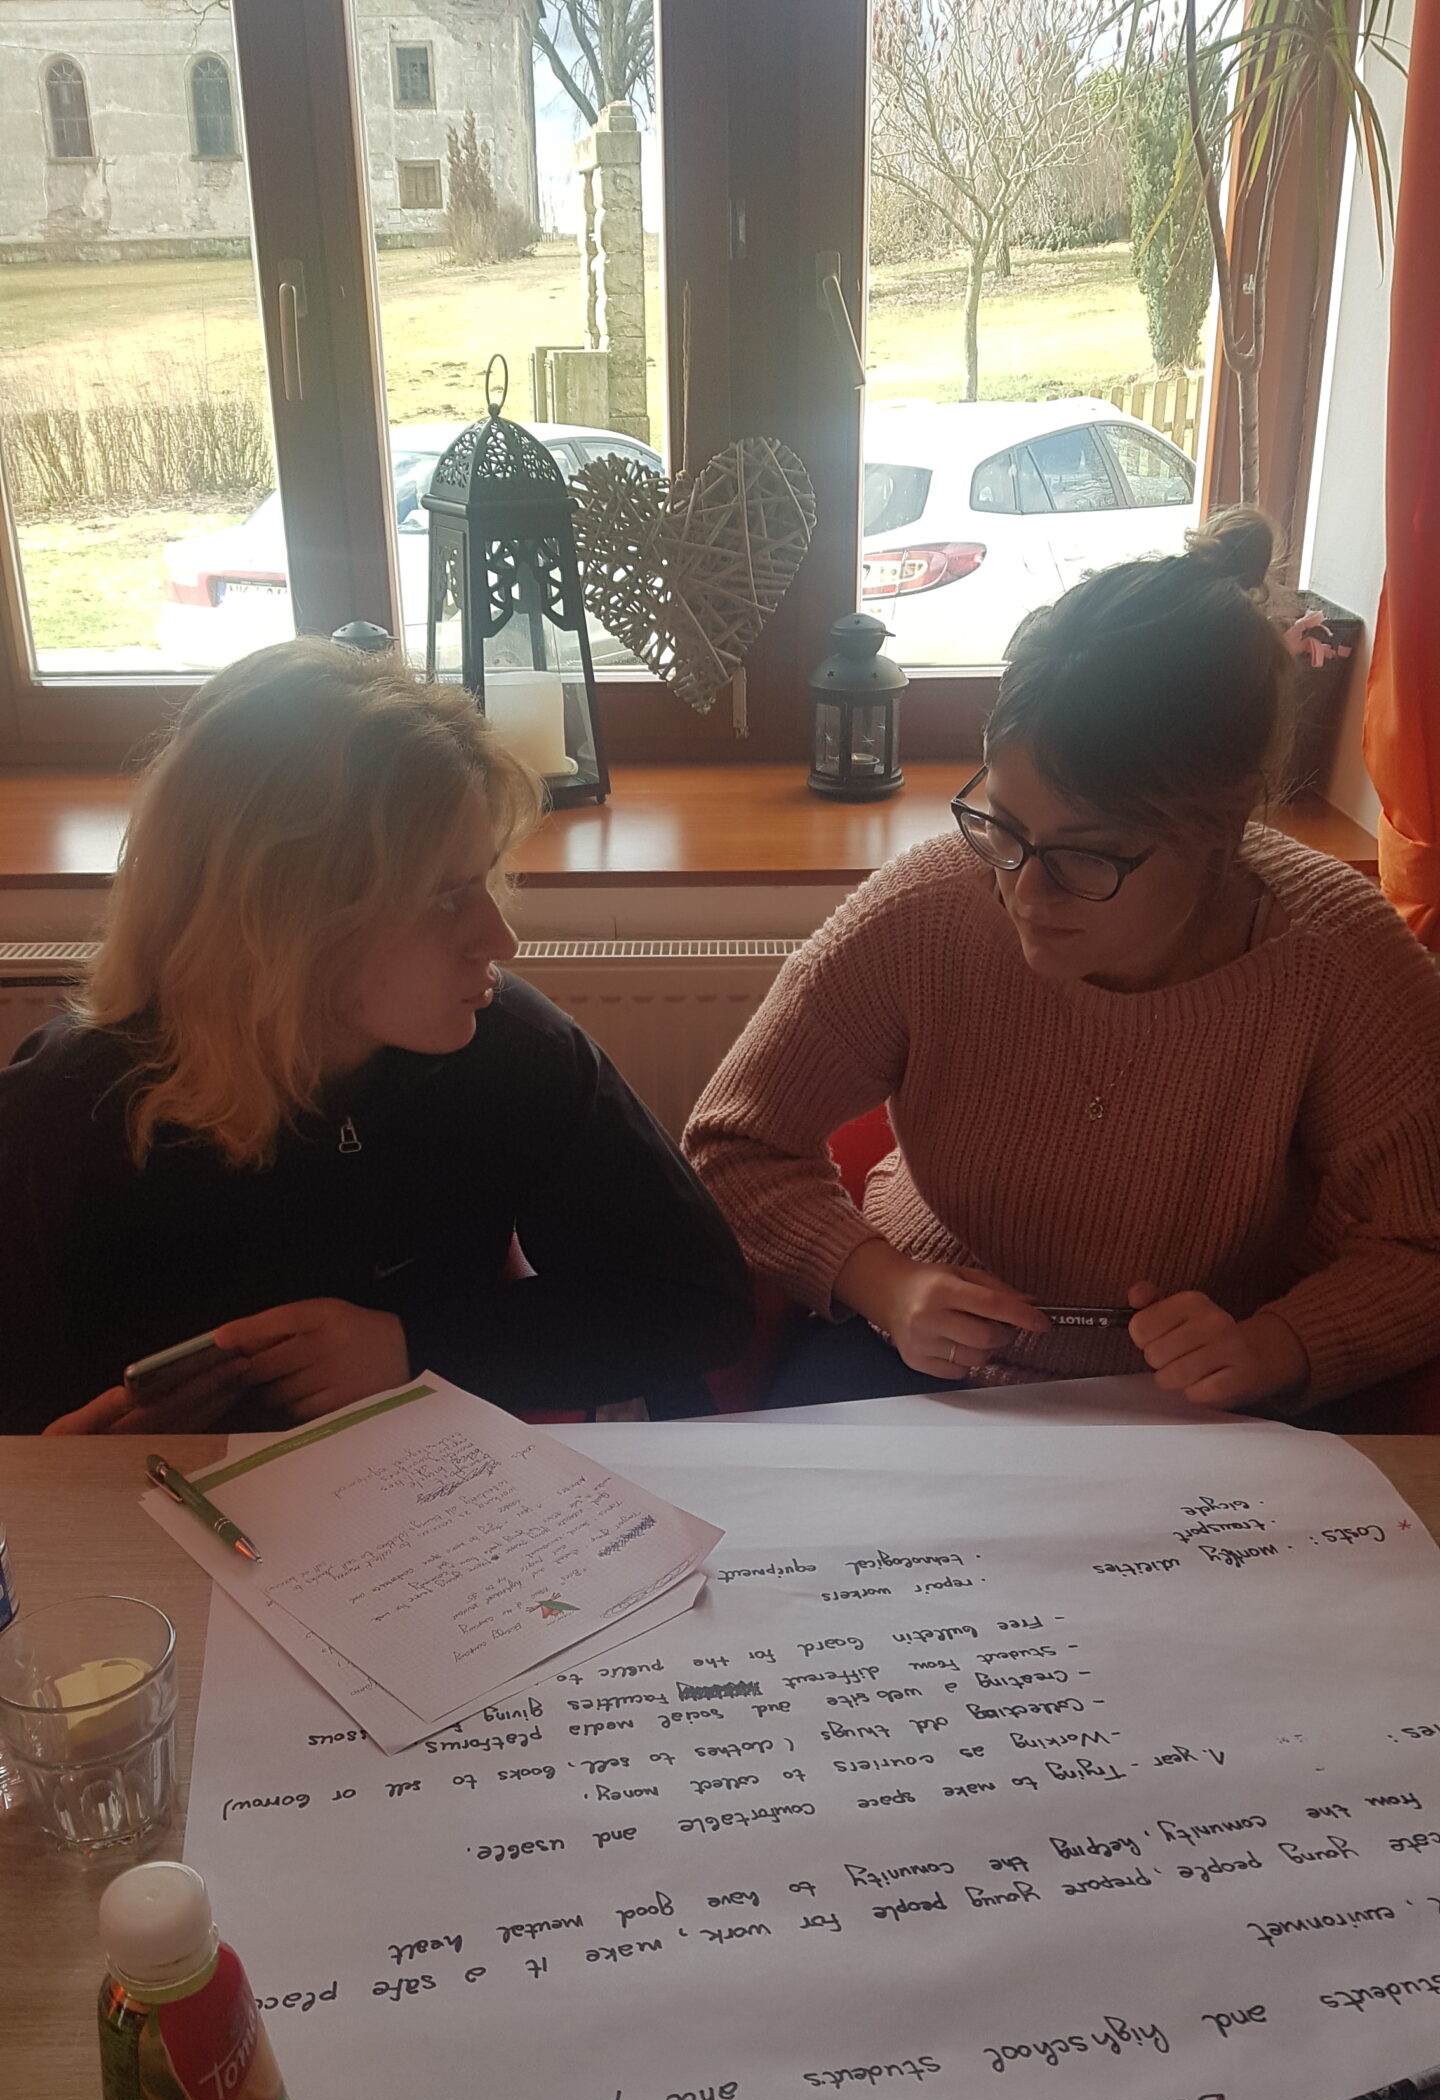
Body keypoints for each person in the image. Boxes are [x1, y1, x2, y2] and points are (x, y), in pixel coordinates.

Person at [685, 512, 1440, 1414]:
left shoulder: (1337, 958)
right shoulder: (927, 910)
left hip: (1215, 1385)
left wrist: (1282, 1345)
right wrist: (882, 1283)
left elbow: (1423, 1242)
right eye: (1003, 826)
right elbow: (735, 1142)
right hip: (922, 1355)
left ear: (1224, 827)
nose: (1025, 894)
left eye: (1089, 856)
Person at [0, 639, 750, 1434]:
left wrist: (413, 1347)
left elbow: (702, 1303)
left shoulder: (508, 1047)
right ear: (284, 922)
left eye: (484, 879)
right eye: (444, 897)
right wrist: (54, 1460)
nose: (500, 939)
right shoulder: (66, 1108)